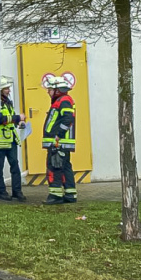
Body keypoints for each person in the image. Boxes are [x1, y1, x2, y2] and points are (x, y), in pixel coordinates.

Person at [0, 76, 27, 201]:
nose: (9, 90)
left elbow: (9, 118)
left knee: (15, 166)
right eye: (6, 88)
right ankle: (1, 192)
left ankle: (17, 191)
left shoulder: (7, 102)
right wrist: (17, 118)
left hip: (10, 140)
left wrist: (19, 123)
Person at [41, 76, 77, 204]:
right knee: (65, 167)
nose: (48, 92)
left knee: (54, 167)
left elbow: (68, 119)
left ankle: (55, 195)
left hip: (58, 142)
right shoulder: (63, 100)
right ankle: (70, 194)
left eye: (50, 89)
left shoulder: (64, 101)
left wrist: (58, 135)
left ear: (57, 90)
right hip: (61, 143)